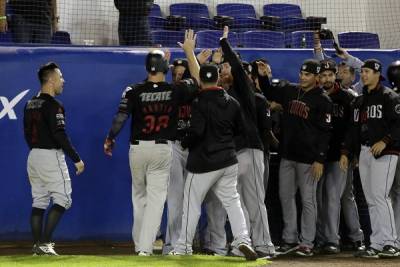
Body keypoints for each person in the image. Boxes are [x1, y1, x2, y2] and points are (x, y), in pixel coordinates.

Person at [170, 29, 257, 261]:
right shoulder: (233, 103)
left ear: (201, 81)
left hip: (204, 162)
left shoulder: (198, 101)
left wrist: (187, 141)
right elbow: (241, 131)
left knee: (191, 203)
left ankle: (184, 246)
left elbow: (196, 131)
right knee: (233, 203)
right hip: (229, 160)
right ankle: (242, 241)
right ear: (217, 79)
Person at [103, 48, 198, 256]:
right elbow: (198, 81)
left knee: (139, 198)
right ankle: (145, 250)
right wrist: (191, 55)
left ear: (147, 67)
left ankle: (139, 245)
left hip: (137, 149)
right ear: (166, 67)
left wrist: (110, 137)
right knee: (156, 200)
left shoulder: (133, 90)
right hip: (161, 149)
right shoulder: (175, 90)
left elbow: (121, 117)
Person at [268, 59, 333, 257]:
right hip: (287, 156)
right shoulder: (290, 91)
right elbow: (269, 92)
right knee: (285, 197)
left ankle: (307, 242)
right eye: (302, 74)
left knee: (308, 201)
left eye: (307, 75)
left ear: (316, 77)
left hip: (309, 160)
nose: (303, 77)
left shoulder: (323, 100)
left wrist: (320, 159)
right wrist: (264, 77)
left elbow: (325, 132)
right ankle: (290, 239)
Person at [23, 62, 85, 255]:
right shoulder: (54, 105)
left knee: (39, 201)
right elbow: (60, 134)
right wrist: (76, 159)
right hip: (50, 156)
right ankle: (45, 243)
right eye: (60, 77)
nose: (63, 81)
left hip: (33, 156)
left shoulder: (29, 103)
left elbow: (26, 133)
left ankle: (37, 247)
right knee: (63, 199)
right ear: (50, 80)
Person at [341, 59, 400, 258]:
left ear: (377, 74)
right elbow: (352, 130)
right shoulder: (359, 101)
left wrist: (385, 140)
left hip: (387, 151)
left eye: (367, 71)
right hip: (365, 152)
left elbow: (398, 125)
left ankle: (392, 242)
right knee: (371, 199)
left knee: (380, 196)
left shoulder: (390, 97)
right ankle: (376, 242)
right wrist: (347, 153)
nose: (364, 75)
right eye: (363, 71)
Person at [314, 33, 365, 252]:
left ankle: (333, 240)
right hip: (318, 155)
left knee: (336, 197)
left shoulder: (348, 97)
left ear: (336, 75)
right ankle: (350, 237)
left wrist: (351, 153)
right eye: (322, 75)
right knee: (336, 197)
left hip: (339, 155)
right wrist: (317, 47)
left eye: (329, 75)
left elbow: (354, 129)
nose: (326, 79)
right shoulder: (314, 96)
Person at [387, 60, 400, 253]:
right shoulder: (391, 96)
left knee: (392, 194)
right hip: (393, 151)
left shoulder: (391, 96)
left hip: (392, 151)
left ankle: (394, 238)